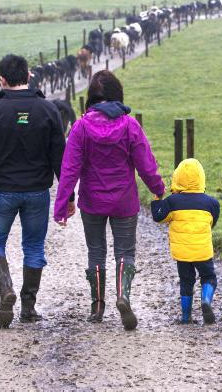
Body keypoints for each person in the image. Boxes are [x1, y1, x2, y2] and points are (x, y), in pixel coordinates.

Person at [53, 70, 165, 330]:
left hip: (92, 200)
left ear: (91, 97)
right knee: (125, 252)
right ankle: (123, 296)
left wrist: (62, 206)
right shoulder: (130, 125)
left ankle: (97, 306)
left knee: (96, 251)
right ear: (118, 95)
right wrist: (158, 189)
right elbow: (146, 164)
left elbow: (69, 169)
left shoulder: (81, 127)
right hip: (124, 200)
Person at [0, 54, 67, 328]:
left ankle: (6, 290)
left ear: (1, 80)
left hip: (3, 189)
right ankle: (28, 307)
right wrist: (67, 195)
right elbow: (59, 157)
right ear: (28, 76)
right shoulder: (48, 110)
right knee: (34, 247)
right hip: (37, 191)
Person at [151, 158, 220, 325]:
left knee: (186, 281)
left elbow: (158, 217)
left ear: (177, 178)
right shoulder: (212, 203)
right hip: (202, 251)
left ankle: (186, 316)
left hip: (182, 253)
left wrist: (157, 198)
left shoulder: (172, 202)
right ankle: (206, 301)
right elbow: (212, 222)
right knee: (209, 277)